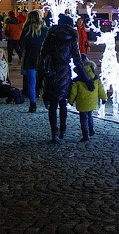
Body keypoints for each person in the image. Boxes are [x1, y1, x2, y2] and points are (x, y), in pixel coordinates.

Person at [39, 14, 93, 143]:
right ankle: (63, 129)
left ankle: (54, 132)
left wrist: (41, 76)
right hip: (64, 72)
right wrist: (88, 79)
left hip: (51, 72)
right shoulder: (71, 38)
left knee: (53, 105)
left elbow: (42, 57)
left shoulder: (50, 37)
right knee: (62, 103)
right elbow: (78, 62)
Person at [69, 59, 107, 142]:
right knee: (90, 116)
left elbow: (73, 93)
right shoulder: (95, 78)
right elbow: (101, 90)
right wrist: (104, 98)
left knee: (83, 119)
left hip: (82, 103)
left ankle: (85, 135)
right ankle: (91, 130)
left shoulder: (78, 80)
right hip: (92, 103)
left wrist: (70, 101)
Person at [21, 10, 48, 113]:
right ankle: (47, 101)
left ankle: (33, 105)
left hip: (30, 59)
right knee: (45, 81)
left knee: (32, 83)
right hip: (43, 58)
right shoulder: (45, 29)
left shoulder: (26, 30)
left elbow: (21, 45)